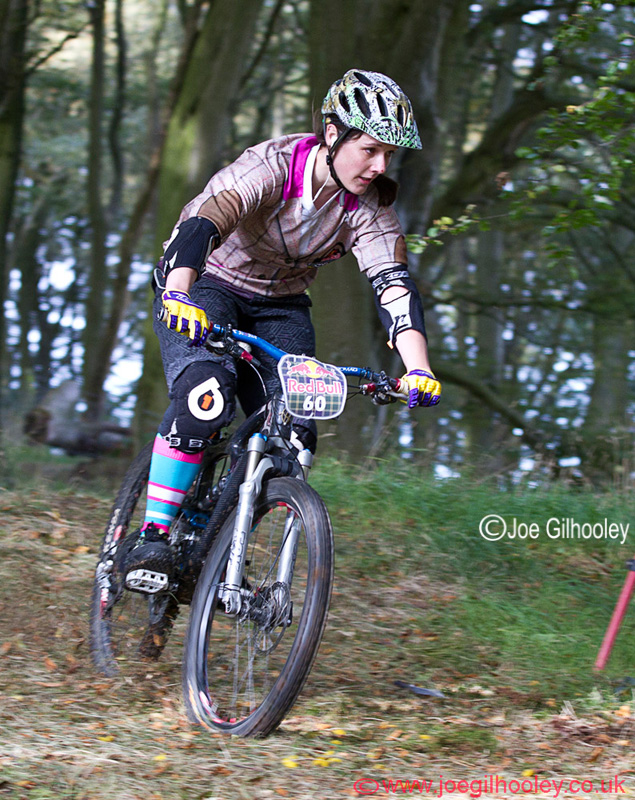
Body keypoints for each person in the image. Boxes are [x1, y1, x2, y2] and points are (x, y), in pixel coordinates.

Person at [124, 68, 442, 590]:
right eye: (370, 149)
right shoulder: (272, 165)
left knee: (297, 434)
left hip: (281, 305)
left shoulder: (371, 205)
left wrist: (418, 368)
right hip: (207, 285)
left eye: (390, 153)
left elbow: (394, 287)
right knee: (206, 396)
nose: (380, 165)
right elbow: (204, 222)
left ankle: (223, 543)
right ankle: (153, 535)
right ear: (333, 133)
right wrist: (179, 293)